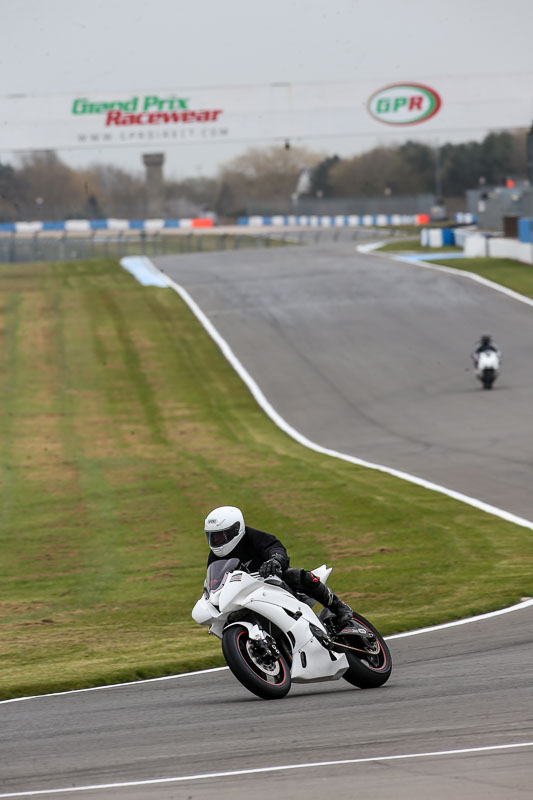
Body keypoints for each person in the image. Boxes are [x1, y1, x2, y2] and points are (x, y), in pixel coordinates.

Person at [204, 505, 354, 628]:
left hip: (271, 581)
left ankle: (339, 607)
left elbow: (274, 547)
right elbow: (214, 580)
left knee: (297, 575)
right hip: (245, 595)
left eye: (220, 536)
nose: (216, 541)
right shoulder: (214, 556)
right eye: (212, 536)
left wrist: (275, 561)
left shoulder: (252, 536)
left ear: (235, 530)